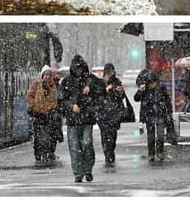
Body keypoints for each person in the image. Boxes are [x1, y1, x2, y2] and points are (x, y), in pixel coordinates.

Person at [58, 54, 105, 183]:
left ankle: (87, 169)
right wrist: (71, 106)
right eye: (76, 69)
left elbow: (102, 90)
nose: (79, 71)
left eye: (80, 68)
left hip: (87, 118)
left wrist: (91, 89)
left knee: (87, 143)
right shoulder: (66, 82)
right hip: (73, 120)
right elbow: (61, 100)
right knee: (74, 147)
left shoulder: (91, 80)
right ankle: (78, 173)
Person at [134, 70, 172, 161]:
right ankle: (151, 153)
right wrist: (140, 90)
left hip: (160, 115)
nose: (152, 84)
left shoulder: (161, 88)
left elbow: (167, 100)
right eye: (150, 82)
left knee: (160, 135)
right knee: (150, 136)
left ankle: (160, 152)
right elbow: (136, 98)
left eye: (153, 82)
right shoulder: (144, 89)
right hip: (149, 116)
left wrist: (169, 112)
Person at [26, 65, 59, 164]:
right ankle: (38, 154)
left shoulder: (53, 86)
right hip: (38, 114)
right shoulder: (36, 83)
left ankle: (48, 152)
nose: (47, 77)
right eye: (46, 75)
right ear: (42, 75)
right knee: (38, 136)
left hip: (49, 114)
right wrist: (35, 105)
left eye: (49, 75)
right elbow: (29, 96)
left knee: (49, 135)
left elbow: (54, 100)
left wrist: (51, 107)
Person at [96, 63, 125, 166]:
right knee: (105, 135)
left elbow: (122, 96)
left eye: (111, 72)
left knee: (112, 136)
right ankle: (107, 155)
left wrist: (119, 91)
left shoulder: (117, 81)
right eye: (108, 72)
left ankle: (111, 152)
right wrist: (106, 89)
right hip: (102, 113)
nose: (109, 74)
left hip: (114, 113)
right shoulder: (100, 82)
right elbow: (98, 96)